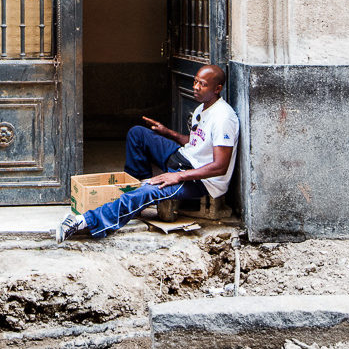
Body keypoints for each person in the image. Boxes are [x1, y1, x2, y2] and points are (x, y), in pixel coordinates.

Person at [56, 64, 238, 242]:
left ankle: (84, 221)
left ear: (217, 88)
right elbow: (195, 142)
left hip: (200, 180)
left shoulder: (223, 118)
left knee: (149, 190)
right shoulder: (202, 107)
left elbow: (220, 167)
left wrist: (179, 176)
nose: (195, 87)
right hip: (184, 158)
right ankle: (138, 192)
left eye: (202, 84)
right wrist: (167, 132)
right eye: (195, 82)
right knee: (138, 134)